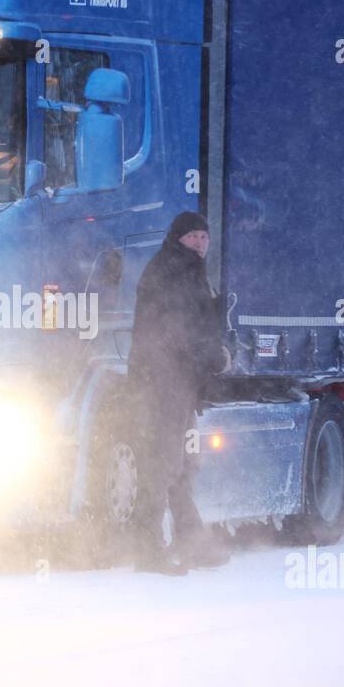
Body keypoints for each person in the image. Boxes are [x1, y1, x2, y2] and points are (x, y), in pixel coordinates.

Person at [125, 210, 233, 575]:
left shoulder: (183, 269)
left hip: (176, 382)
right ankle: (147, 550)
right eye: (193, 238)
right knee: (163, 464)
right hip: (163, 384)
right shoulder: (174, 271)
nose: (200, 244)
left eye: (204, 237)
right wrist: (215, 356)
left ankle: (191, 542)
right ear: (179, 239)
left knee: (182, 464)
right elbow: (181, 331)